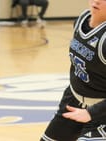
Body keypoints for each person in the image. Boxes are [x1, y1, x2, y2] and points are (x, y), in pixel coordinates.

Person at [40, 0, 106, 140]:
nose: (98, 0)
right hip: (74, 102)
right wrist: (70, 96)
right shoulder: (82, 19)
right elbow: (79, 69)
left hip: (101, 112)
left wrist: (92, 113)